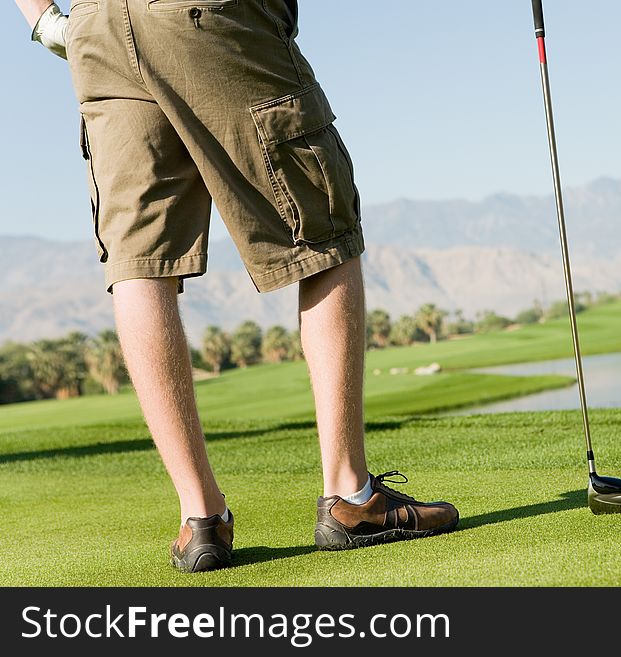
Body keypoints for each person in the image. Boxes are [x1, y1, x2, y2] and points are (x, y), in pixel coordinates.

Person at [17, 0, 458, 572]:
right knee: (321, 229)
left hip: (98, 27)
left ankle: (201, 518)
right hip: (207, 13)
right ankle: (351, 498)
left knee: (139, 261)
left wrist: (45, 21)